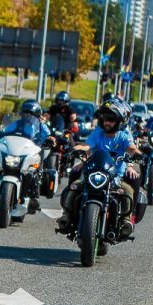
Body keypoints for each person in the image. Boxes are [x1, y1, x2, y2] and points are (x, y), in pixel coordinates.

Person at [56, 100, 141, 237]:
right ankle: (67, 215)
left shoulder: (123, 136)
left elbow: (131, 148)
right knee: (74, 185)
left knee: (127, 191)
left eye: (111, 119)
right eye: (105, 119)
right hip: (93, 172)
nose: (107, 122)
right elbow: (87, 145)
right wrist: (75, 149)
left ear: (119, 121)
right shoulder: (98, 133)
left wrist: (136, 154)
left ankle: (126, 220)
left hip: (115, 177)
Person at [0, 99, 51, 210]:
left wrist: (51, 140)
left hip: (31, 152)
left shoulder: (42, 127)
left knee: (34, 172)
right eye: (26, 113)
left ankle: (32, 195)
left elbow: (48, 136)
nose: (28, 116)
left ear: (37, 115)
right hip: (15, 151)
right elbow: (5, 132)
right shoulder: (16, 124)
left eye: (31, 114)